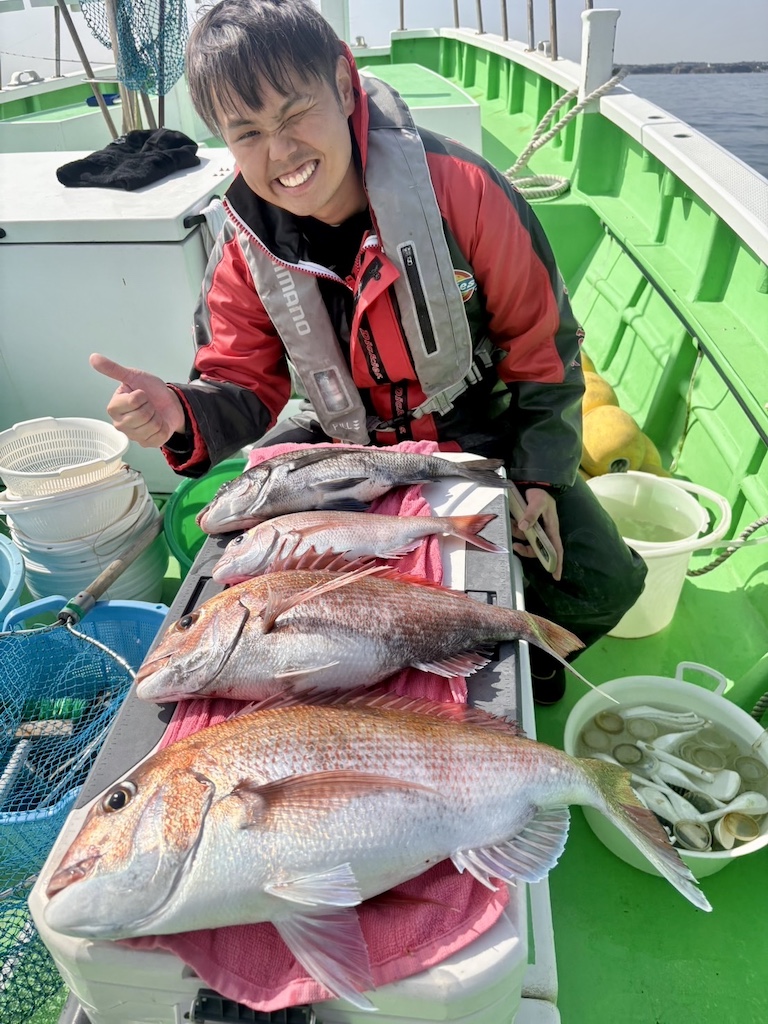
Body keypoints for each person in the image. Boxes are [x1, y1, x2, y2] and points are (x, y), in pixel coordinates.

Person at [90, 0, 646, 704]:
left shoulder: (465, 191)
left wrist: (539, 475)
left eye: (295, 113)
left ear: (344, 85)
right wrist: (179, 413)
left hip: (475, 418)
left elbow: (540, 344)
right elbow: (241, 383)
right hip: (336, 435)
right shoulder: (242, 246)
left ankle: (525, 662)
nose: (280, 153)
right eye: (248, 133)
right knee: (232, 556)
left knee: (605, 582)